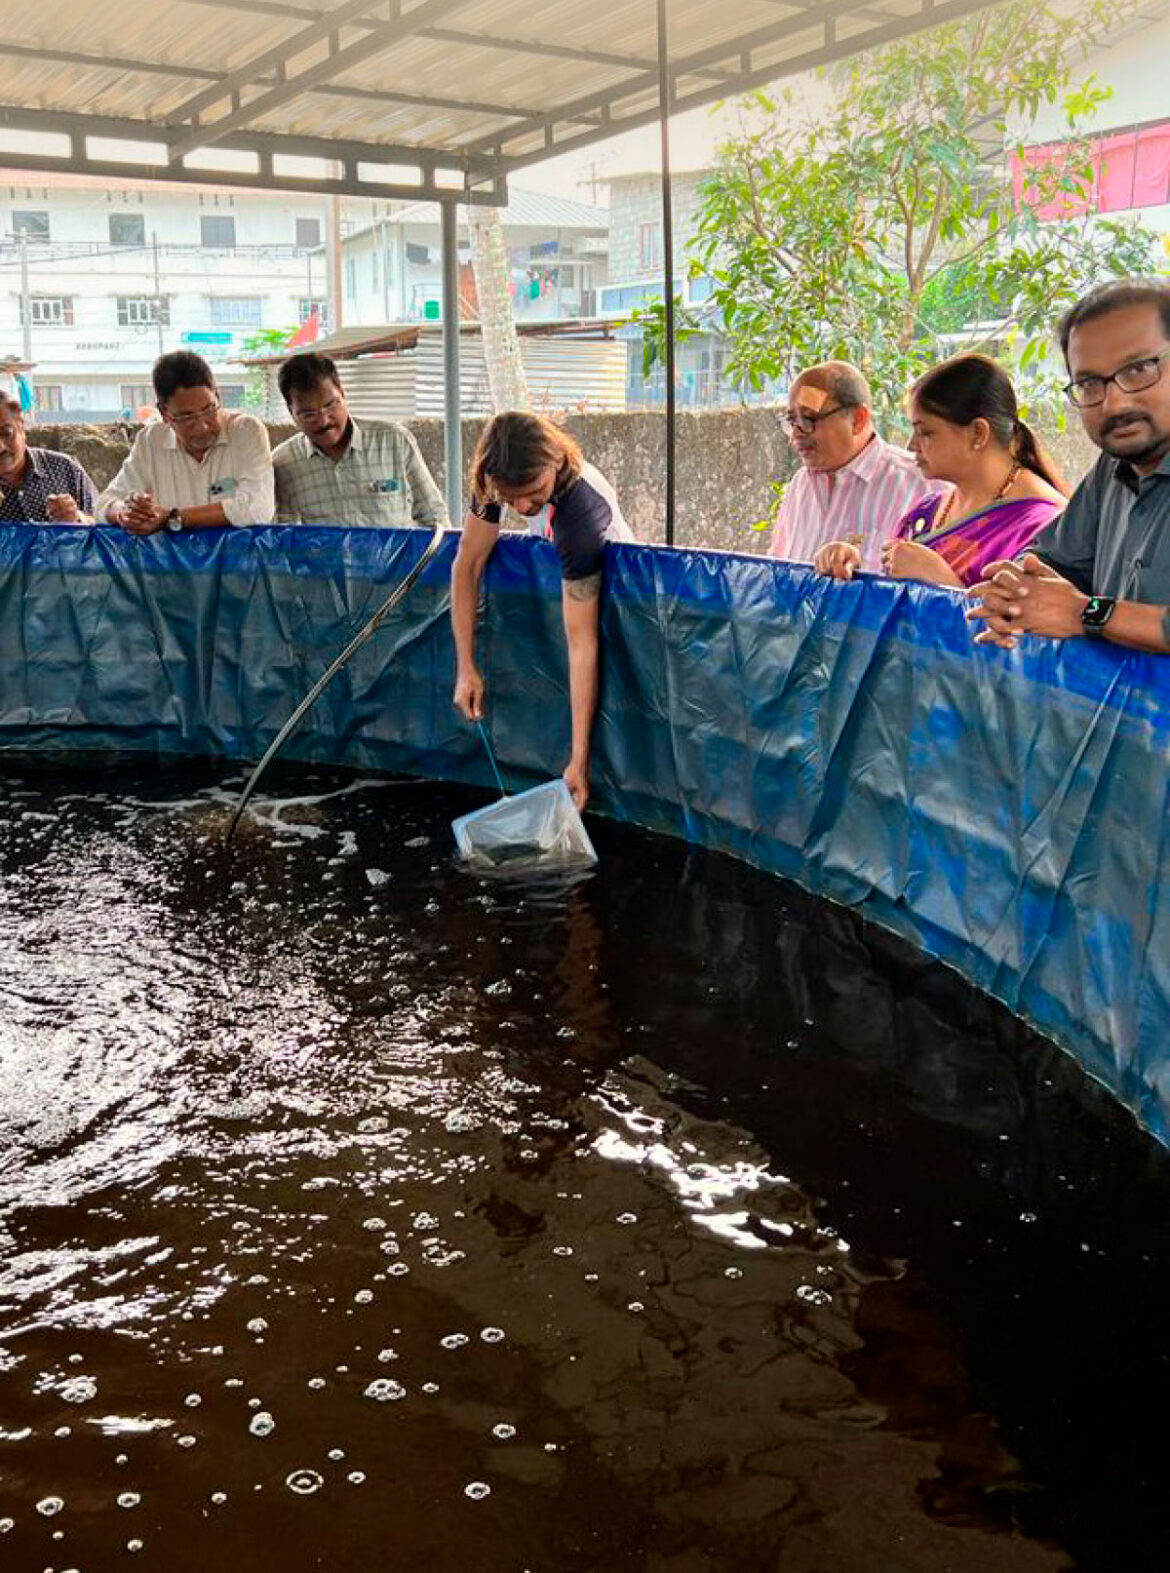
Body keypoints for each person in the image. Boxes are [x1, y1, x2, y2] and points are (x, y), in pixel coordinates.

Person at [968, 278, 1170, 653]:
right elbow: (1052, 559)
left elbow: (1080, 611)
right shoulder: (1111, 470)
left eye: (1139, 370)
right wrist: (1014, 592)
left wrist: (1089, 614)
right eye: (1090, 384)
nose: (1114, 405)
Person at [450, 412, 633, 812]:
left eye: (533, 491)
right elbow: (468, 563)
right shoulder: (496, 478)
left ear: (554, 462)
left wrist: (578, 762)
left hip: (618, 606)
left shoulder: (579, 514)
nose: (521, 505)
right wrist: (465, 665)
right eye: (509, 496)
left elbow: (583, 643)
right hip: (562, 594)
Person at [816, 355, 1065, 589]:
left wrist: (943, 582)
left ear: (978, 433)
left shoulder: (1045, 529)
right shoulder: (927, 512)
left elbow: (1028, 629)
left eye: (925, 433)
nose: (912, 445)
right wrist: (854, 570)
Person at [769, 361, 929, 570]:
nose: (797, 434)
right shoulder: (800, 485)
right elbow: (776, 572)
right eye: (792, 421)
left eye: (808, 420)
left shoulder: (920, 487)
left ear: (858, 420)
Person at [97, 351, 274, 534]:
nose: (202, 427)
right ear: (164, 413)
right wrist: (126, 514)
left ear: (217, 396)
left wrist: (172, 517)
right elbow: (104, 503)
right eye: (186, 417)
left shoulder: (245, 431)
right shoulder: (151, 441)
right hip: (170, 562)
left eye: (208, 410)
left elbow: (258, 507)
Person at [272, 352, 447, 528]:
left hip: (403, 557)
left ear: (342, 393)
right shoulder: (283, 463)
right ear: (291, 412)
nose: (324, 420)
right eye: (309, 414)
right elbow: (281, 538)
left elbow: (434, 517)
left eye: (331, 405)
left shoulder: (394, 442)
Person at [0, 398, 97, 523]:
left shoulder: (64, 468)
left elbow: (102, 524)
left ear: (22, 428)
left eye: (6, 433)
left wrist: (77, 518)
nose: (1, 447)